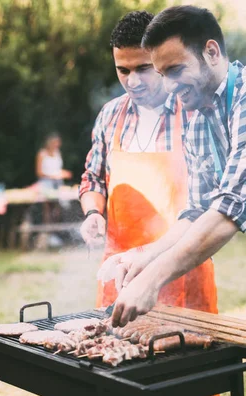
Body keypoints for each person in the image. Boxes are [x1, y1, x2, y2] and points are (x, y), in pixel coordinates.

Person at [105, 5, 246, 396]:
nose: (170, 86)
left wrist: (153, 278)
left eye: (176, 70)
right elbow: (196, 211)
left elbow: (228, 211)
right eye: (162, 74)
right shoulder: (199, 117)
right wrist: (145, 254)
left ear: (212, 51)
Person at [79, 11, 218, 316]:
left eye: (143, 68)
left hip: (181, 272)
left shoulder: (194, 114)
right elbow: (93, 178)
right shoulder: (110, 115)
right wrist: (92, 213)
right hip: (119, 271)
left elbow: (207, 207)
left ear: (160, 61)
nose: (133, 81)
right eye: (123, 70)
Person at [35, 132, 72, 247]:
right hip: (46, 185)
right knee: (48, 211)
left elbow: (58, 169)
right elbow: (39, 172)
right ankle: (47, 235)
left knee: (58, 210)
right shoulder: (42, 154)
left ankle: (56, 235)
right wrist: (53, 176)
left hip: (58, 184)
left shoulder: (57, 153)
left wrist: (63, 174)